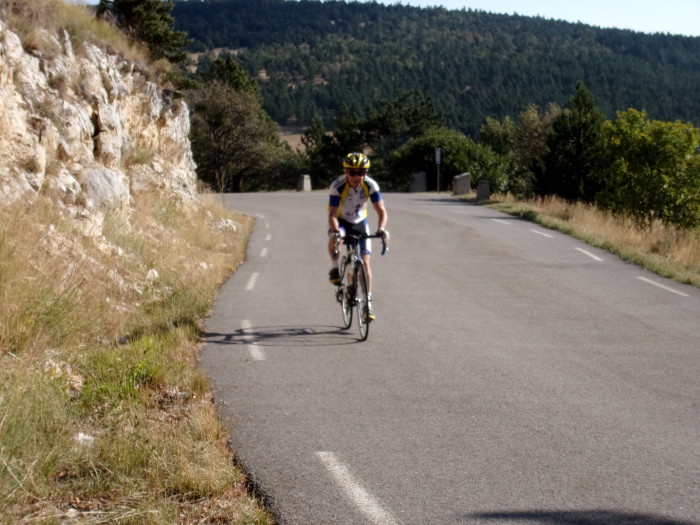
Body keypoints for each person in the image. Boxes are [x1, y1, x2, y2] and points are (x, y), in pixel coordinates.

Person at [327, 152, 388, 321]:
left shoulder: (370, 185)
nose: (356, 176)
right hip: (341, 221)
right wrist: (336, 231)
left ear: (365, 173)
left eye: (360, 172)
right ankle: (334, 268)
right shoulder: (337, 185)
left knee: (365, 262)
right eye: (352, 172)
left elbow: (381, 211)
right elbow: (331, 214)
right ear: (346, 172)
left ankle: (367, 304)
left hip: (360, 222)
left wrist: (381, 229)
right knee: (335, 238)